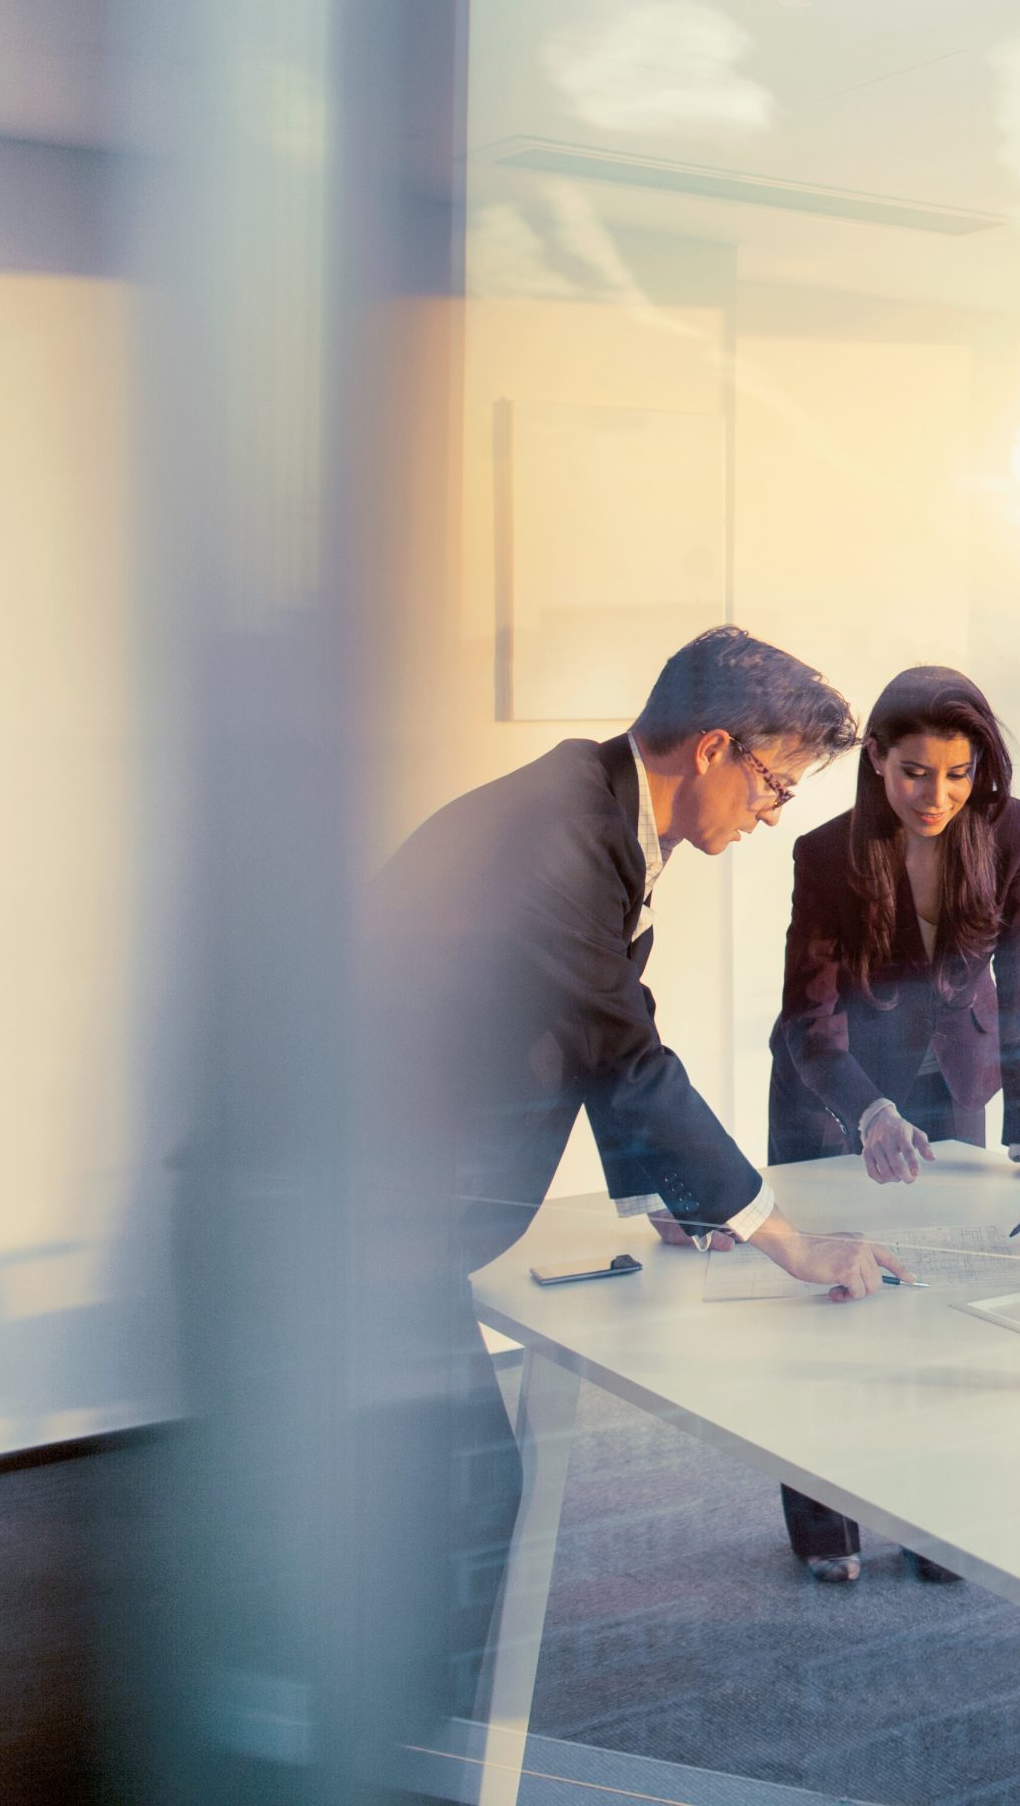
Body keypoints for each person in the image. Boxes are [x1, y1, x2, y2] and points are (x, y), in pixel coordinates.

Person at [372, 626, 901, 1719]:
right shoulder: (560, 835)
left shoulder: (591, 811)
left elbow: (600, 1019)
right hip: (354, 1214)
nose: (771, 814)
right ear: (713, 747)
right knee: (462, 1494)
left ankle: (411, 1731)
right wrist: (785, 1237)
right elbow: (622, 1047)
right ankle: (418, 1749)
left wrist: (666, 1192)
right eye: (774, 785)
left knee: (443, 1492)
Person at [764, 664, 1020, 1581]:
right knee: (831, 1311)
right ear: (877, 764)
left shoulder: (1010, 829)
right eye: (915, 772)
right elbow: (807, 1019)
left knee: (947, 1302)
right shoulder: (826, 854)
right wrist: (869, 1112)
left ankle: (939, 1515)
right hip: (834, 1092)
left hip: (953, 1079)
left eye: (959, 772)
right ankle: (825, 1527)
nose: (938, 794)